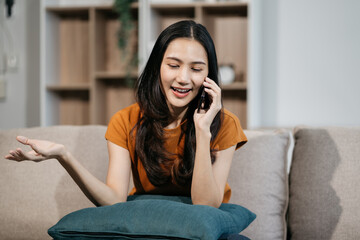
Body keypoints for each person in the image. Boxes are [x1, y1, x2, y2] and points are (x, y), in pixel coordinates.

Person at [5, 20, 247, 208]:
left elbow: (206, 205)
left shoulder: (225, 124)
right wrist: (64, 155)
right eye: (173, 65)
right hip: (145, 225)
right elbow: (113, 199)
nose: (183, 78)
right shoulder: (126, 121)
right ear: (157, 67)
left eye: (196, 69)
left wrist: (203, 130)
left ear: (209, 76)